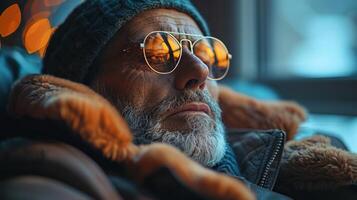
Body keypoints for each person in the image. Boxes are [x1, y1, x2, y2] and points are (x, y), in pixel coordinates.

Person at [1, 1, 357, 200]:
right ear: (84, 89)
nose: (199, 72)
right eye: (158, 51)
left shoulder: (312, 154)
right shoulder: (55, 176)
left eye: (206, 53)